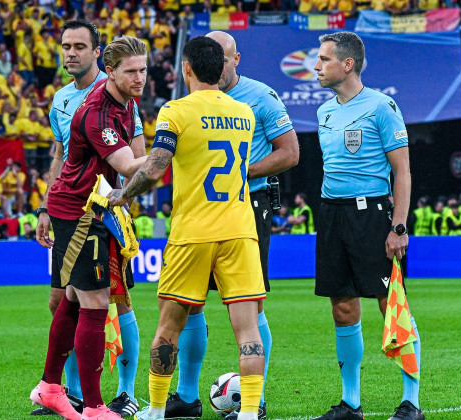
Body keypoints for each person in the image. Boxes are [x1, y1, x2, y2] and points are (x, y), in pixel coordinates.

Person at [107, 36, 264, 420]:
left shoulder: (175, 111)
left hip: (192, 232)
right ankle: (247, 413)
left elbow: (156, 166)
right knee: (247, 330)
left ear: (187, 68)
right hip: (240, 229)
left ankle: (158, 410)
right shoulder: (245, 112)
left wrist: (123, 195)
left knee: (169, 326)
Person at [164, 30, 299, 420]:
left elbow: (290, 152)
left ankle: (255, 402)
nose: (218, 64)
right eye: (212, 57)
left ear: (236, 59)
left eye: (224, 57)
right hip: (198, 209)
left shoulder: (261, 96)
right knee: (188, 305)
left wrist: (241, 172)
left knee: (250, 307)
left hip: (247, 206)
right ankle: (187, 396)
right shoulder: (189, 102)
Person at [29, 36, 149, 420]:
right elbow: (131, 165)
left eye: (144, 70)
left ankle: (50, 387)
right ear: (110, 71)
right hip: (82, 213)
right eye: (131, 71)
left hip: (93, 207)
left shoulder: (125, 102)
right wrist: (179, 143)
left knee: (72, 299)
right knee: (96, 304)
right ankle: (95, 407)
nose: (140, 78)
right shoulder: (97, 111)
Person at [311, 32, 423, 420]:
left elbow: (403, 171)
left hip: (372, 216)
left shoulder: (381, 106)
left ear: (347, 64)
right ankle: (351, 403)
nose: (317, 66)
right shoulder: (324, 112)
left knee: (391, 306)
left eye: (325, 59)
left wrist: (399, 227)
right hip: (331, 214)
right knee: (342, 308)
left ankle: (412, 401)